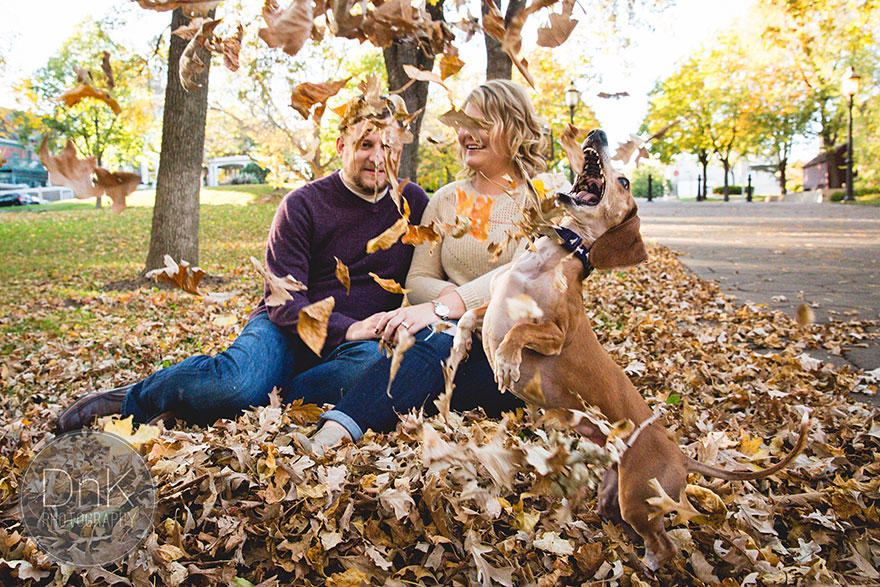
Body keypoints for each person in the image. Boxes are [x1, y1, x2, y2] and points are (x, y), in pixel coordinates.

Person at [55, 93, 429, 432]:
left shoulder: (413, 203)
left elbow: (437, 268)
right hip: (287, 329)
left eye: (388, 146)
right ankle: (137, 398)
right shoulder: (302, 205)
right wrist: (350, 328)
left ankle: (252, 398)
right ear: (341, 145)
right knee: (233, 384)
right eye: (366, 144)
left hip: (362, 343)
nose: (378, 157)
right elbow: (283, 301)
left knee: (373, 371)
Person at [290, 79, 558, 453]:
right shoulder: (447, 199)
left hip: (515, 359)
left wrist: (444, 308)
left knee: (430, 343)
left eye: (478, 124)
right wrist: (448, 303)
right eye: (462, 124)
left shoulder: (548, 196)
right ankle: (290, 392)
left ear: (512, 126)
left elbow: (521, 276)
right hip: (449, 349)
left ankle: (333, 434)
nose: (465, 134)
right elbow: (417, 278)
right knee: (395, 357)